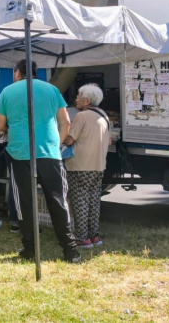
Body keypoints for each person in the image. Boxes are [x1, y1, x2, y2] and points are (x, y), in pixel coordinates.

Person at [0, 58, 80, 263]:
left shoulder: (8, 91)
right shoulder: (52, 90)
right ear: (35, 72)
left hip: (20, 152)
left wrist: (13, 128)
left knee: (25, 203)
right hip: (49, 152)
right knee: (58, 201)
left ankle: (30, 249)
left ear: (17, 72)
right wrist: (57, 145)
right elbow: (65, 122)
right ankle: (70, 251)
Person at [61, 83, 111, 248]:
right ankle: (94, 236)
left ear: (87, 100)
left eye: (79, 97)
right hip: (98, 165)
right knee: (94, 201)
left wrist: (60, 136)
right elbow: (109, 141)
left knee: (79, 200)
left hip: (80, 165)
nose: (76, 99)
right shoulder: (104, 115)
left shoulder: (81, 116)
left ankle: (82, 238)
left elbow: (69, 140)